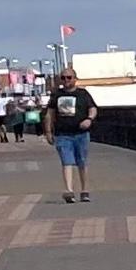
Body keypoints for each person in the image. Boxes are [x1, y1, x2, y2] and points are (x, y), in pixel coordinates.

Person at [43, 70, 97, 202]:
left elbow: (93, 108)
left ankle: (85, 190)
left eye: (69, 77)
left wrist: (89, 119)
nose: (66, 80)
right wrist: (48, 132)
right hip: (62, 134)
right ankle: (69, 191)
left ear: (75, 79)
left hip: (81, 134)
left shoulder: (83, 94)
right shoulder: (56, 95)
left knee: (82, 161)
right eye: (63, 78)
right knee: (66, 161)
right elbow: (49, 114)